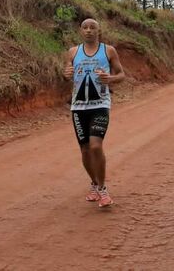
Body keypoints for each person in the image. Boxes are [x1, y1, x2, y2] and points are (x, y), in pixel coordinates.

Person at [63, 18, 126, 208]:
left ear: (99, 31)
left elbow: (121, 74)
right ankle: (94, 184)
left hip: (100, 105)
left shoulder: (108, 51)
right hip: (78, 108)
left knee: (96, 146)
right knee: (84, 150)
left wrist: (111, 79)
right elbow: (68, 74)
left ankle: (103, 188)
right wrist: (66, 74)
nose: (89, 30)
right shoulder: (73, 52)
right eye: (85, 28)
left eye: (93, 28)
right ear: (80, 31)